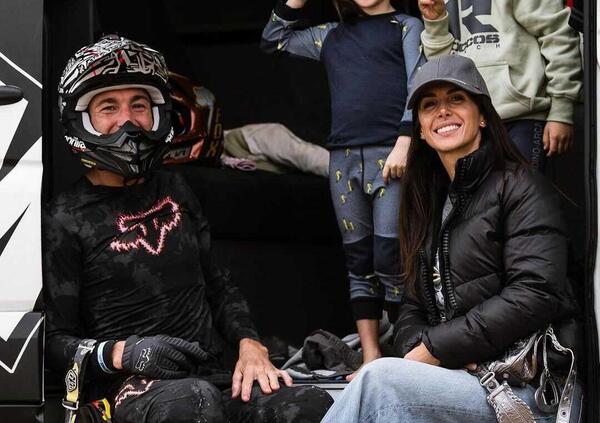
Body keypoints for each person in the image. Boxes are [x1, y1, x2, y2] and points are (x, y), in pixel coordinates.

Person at [44, 35, 333, 423]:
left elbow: (219, 286)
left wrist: (251, 345)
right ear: (81, 120)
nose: (128, 120)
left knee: (309, 404)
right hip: (126, 391)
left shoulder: (176, 189)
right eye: (108, 107)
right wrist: (121, 353)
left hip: (209, 377)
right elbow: (52, 342)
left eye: (139, 105)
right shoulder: (63, 218)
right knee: (192, 402)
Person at [321, 54, 581, 422]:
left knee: (379, 382)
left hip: (527, 390)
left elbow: (535, 293)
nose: (443, 111)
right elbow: (411, 308)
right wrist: (427, 350)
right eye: (429, 105)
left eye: (456, 99)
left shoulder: (522, 187)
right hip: (462, 377)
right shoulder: (429, 203)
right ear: (421, 131)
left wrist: (436, 349)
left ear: (483, 116)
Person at [261, 0, 425, 379]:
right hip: (344, 159)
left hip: (392, 155)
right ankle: (371, 355)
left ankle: (408, 353)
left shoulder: (406, 26)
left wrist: (405, 140)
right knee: (358, 260)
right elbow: (274, 39)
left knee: (390, 256)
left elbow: (418, 85)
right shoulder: (331, 35)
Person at [417, 0, 582, 171]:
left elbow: (557, 35)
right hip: (468, 122)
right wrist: (435, 23)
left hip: (521, 116)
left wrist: (561, 111)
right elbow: (442, 71)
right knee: (478, 189)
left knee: (522, 187)